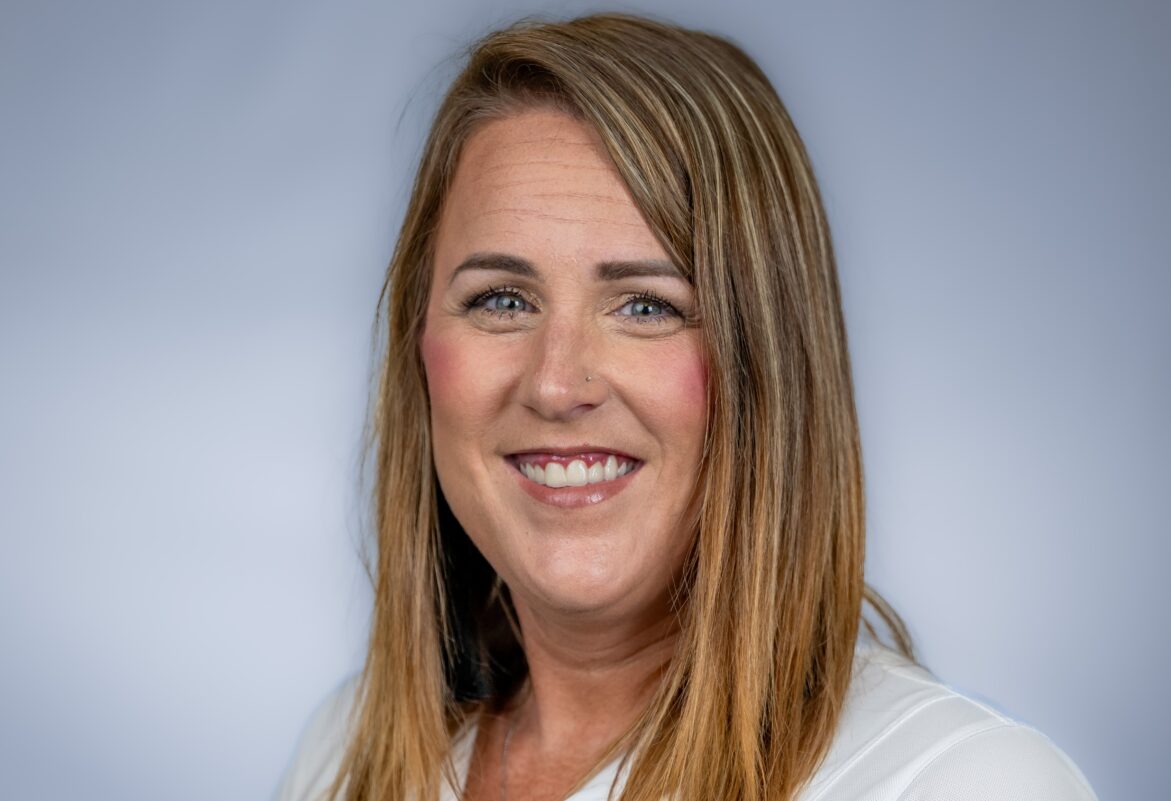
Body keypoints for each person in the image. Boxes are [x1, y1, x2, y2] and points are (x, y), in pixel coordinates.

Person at [274, 12, 1097, 801]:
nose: (556, 384)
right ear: (418, 344)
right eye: (502, 299)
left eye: (646, 306)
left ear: (769, 364)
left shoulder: (964, 783)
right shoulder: (346, 751)